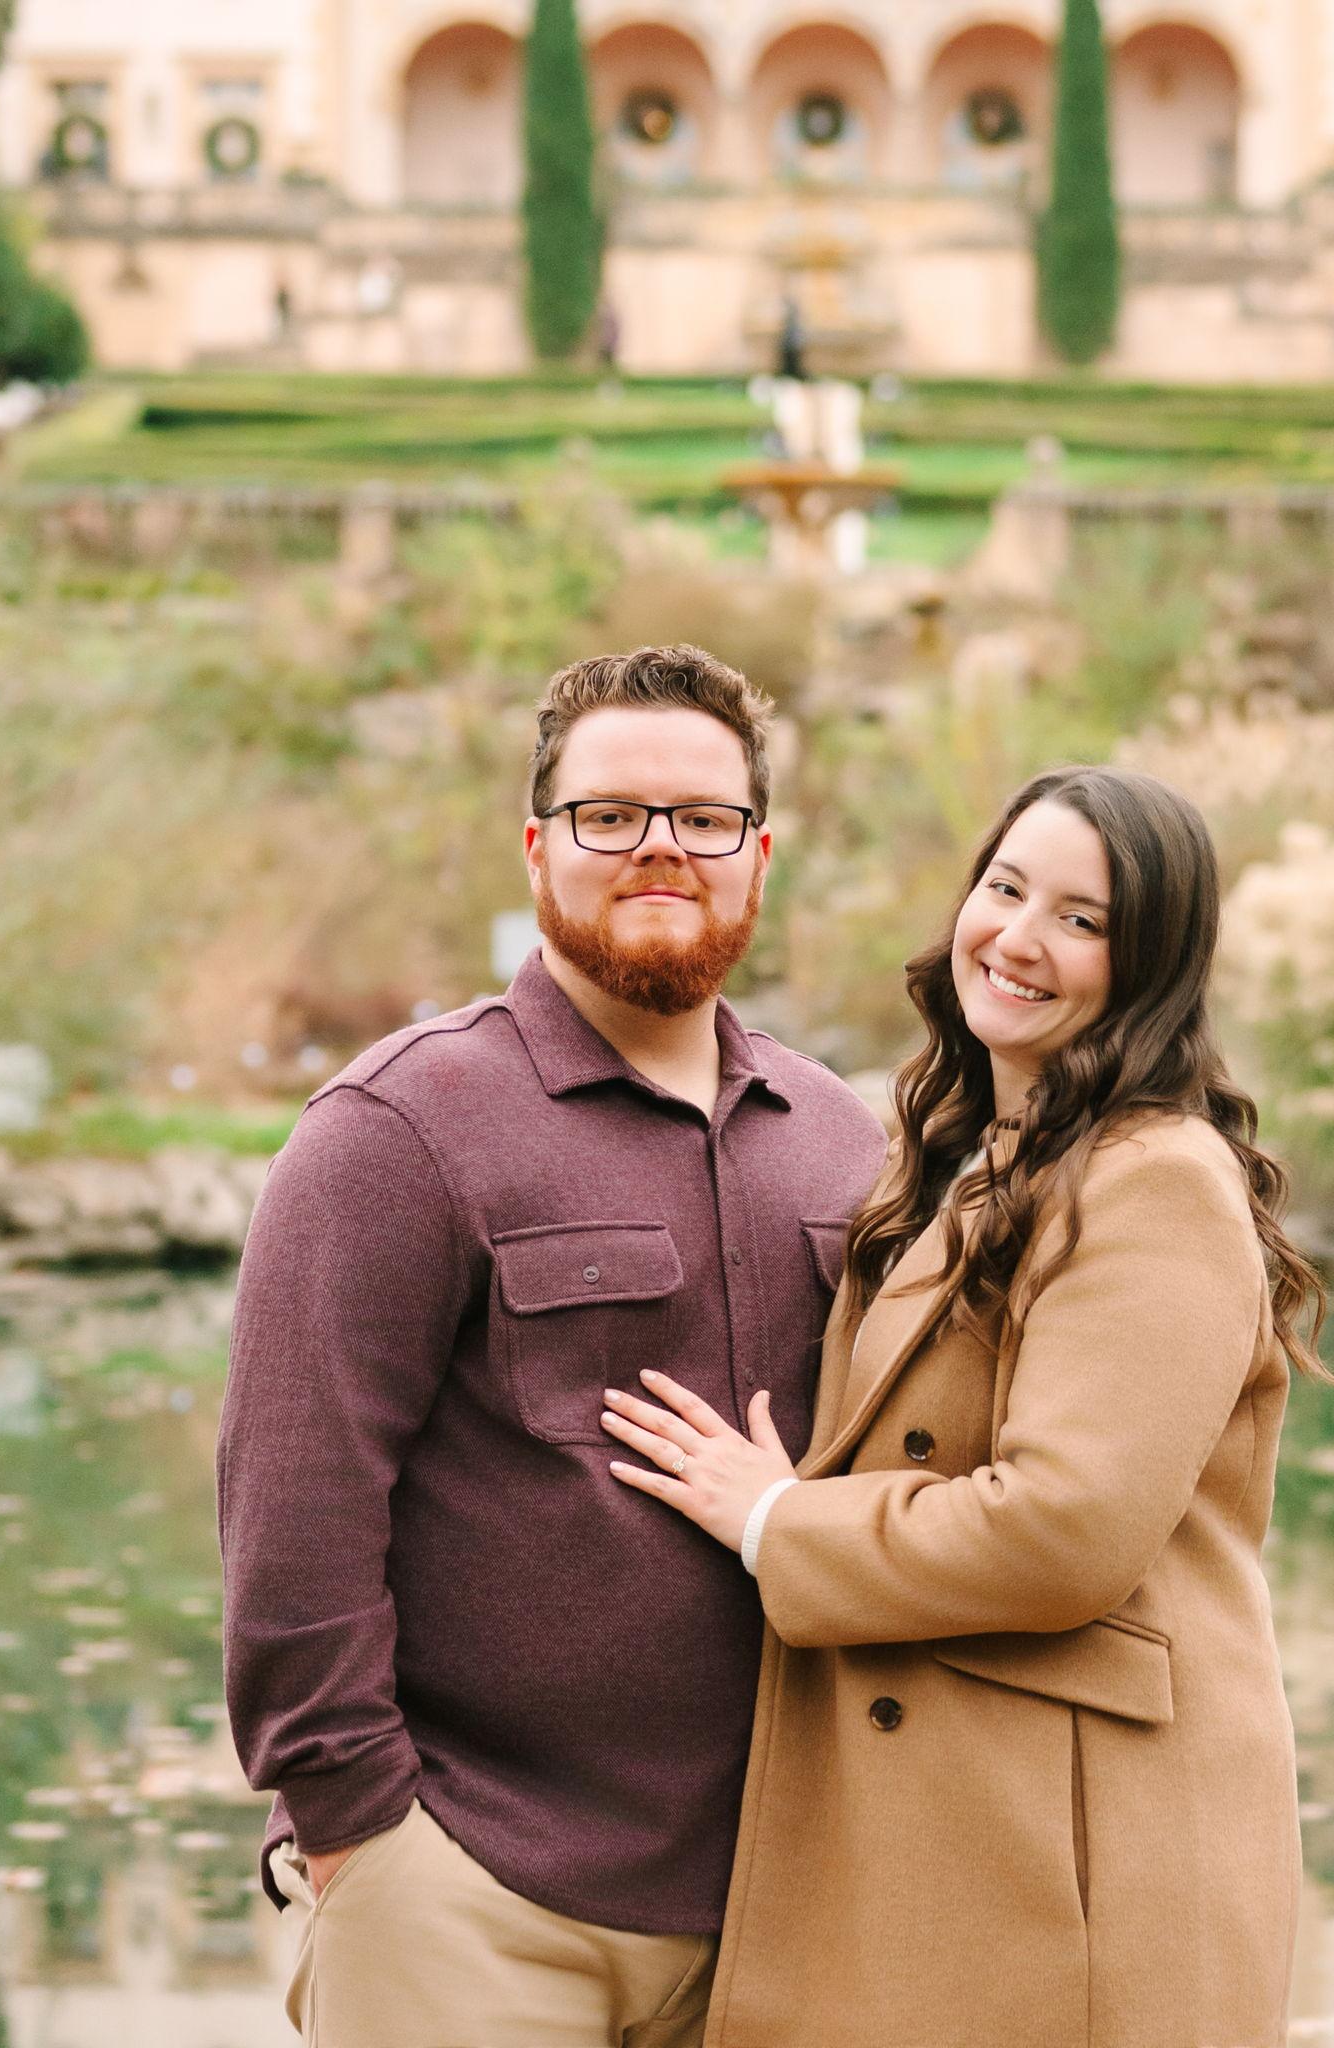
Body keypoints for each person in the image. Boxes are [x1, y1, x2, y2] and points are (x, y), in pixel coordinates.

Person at [216, 644, 888, 2048]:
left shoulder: (842, 1139)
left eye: (703, 818)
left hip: (776, 1906)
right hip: (469, 1908)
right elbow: (294, 1514)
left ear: (757, 857)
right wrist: (361, 1837)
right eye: (609, 815)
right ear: (537, 850)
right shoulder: (395, 1131)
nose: (660, 847)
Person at [600, 765, 1334, 2047]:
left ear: (1151, 963)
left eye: (1083, 918)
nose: (1019, 937)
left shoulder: (1155, 1179)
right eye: (1004, 887)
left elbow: (1067, 1526)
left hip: (1079, 1853)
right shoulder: (970, 1151)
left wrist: (781, 1520)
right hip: (971, 1824)